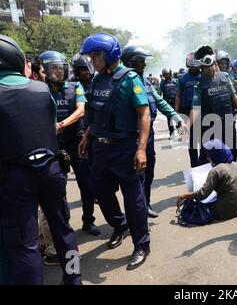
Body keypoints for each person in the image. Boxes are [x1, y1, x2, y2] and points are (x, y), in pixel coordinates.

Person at [0, 35, 81, 285]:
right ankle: (74, 279)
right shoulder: (41, 89)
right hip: (51, 169)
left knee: (25, 243)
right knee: (64, 231)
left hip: (14, 177)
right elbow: (50, 125)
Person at [78, 32, 151, 270]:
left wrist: (141, 149)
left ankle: (141, 244)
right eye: (90, 56)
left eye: (95, 55)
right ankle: (119, 225)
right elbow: (95, 112)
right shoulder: (97, 80)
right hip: (100, 148)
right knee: (101, 191)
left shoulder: (130, 79)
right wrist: (87, 135)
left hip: (125, 148)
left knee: (134, 200)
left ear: (109, 54)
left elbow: (144, 114)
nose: (92, 60)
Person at [121, 45, 187, 218]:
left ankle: (145, 204)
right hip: (132, 137)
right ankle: (135, 214)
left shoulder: (146, 81)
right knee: (136, 177)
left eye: (144, 61)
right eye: (139, 61)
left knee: (148, 173)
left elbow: (159, 101)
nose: (143, 65)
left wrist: (176, 117)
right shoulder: (122, 82)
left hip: (148, 136)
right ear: (129, 62)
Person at [39, 50, 100, 236]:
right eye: (54, 68)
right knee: (57, 187)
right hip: (53, 144)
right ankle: (62, 226)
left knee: (86, 183)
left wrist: (61, 124)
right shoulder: (40, 90)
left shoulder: (75, 87)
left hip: (77, 142)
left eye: (61, 68)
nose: (59, 72)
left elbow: (81, 110)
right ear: (45, 71)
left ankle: (88, 221)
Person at [190, 45, 237, 165]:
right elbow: (195, 109)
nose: (208, 70)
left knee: (231, 158)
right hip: (210, 128)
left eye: (209, 67)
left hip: (228, 124)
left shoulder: (225, 77)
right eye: (204, 68)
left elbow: (234, 97)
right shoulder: (199, 85)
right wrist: (186, 125)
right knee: (211, 161)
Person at [178, 139, 237, 220]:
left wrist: (184, 196)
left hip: (225, 212)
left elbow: (202, 194)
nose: (207, 158)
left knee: (195, 207)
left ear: (215, 155)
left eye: (209, 155)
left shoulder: (216, 171)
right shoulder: (235, 165)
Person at [176, 52, 202, 167]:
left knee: (204, 139)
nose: (194, 67)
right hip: (187, 111)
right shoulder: (182, 79)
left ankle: (204, 163)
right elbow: (178, 95)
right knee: (192, 142)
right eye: (191, 65)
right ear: (187, 65)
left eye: (196, 64)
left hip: (202, 110)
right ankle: (195, 166)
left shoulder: (203, 76)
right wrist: (176, 112)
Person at [159, 67, 178, 137]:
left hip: (175, 101)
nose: (166, 75)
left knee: (177, 116)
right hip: (167, 102)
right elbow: (159, 92)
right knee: (169, 118)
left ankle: (179, 129)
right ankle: (171, 132)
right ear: (163, 75)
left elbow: (179, 91)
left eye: (168, 74)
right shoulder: (162, 83)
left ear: (170, 73)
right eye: (165, 74)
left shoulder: (175, 81)